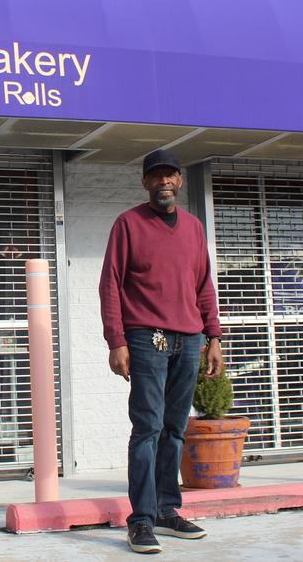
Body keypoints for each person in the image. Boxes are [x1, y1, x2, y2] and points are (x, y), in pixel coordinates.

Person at [99, 148, 224, 555]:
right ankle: (141, 520)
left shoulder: (192, 228)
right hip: (145, 338)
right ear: (145, 183)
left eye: (170, 175)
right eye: (156, 177)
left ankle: (169, 511)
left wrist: (214, 337)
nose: (164, 182)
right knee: (148, 428)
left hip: (189, 340)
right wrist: (116, 341)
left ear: (180, 181)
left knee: (175, 429)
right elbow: (110, 285)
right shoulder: (128, 224)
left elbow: (203, 285)